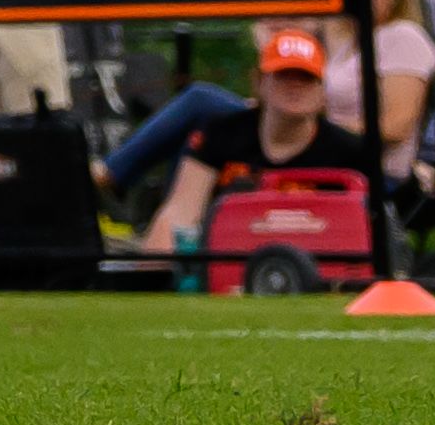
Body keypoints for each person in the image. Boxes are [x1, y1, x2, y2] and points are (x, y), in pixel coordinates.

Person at [115, 0, 435, 226]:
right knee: (208, 135)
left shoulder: (404, 37)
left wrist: (305, 120)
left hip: (360, 163)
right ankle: (173, 233)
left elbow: (395, 127)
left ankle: (112, 176)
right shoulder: (343, 37)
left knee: (203, 100)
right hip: (302, 140)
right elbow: (275, 34)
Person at [147, 21, 380, 269]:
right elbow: (180, 212)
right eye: (283, 74)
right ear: (259, 82)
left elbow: (372, 229)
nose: (295, 85)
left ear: (323, 91)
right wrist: (153, 276)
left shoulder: (350, 151)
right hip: (229, 267)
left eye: (306, 77)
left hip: (319, 271)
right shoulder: (221, 133)